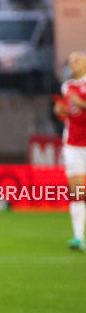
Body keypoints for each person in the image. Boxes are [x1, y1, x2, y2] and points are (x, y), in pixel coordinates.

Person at [54, 51, 86, 251]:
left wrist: (80, 103)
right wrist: (61, 111)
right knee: (76, 190)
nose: (71, 64)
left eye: (75, 60)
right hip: (73, 143)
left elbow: (80, 106)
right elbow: (71, 113)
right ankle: (78, 237)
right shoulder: (66, 86)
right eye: (70, 60)